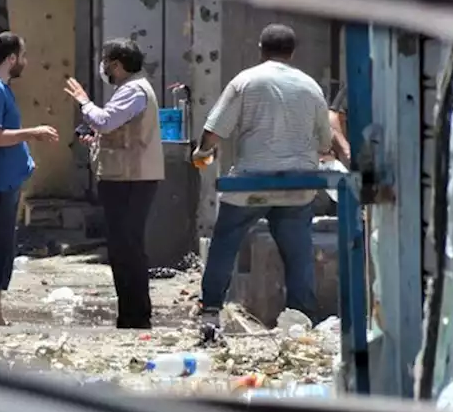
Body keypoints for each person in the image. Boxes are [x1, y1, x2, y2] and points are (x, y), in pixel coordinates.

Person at [193, 24, 332, 326]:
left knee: (225, 244)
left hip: (251, 184)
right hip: (298, 186)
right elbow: (325, 142)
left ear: (260, 48)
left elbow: (215, 129)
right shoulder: (310, 86)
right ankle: (301, 319)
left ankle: (210, 311)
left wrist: (202, 153)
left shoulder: (246, 80)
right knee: (299, 254)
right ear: (293, 52)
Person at [63, 39, 163, 330]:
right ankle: (130, 314)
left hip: (130, 180)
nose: (103, 67)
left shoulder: (133, 90)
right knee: (122, 248)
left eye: (106, 61)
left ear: (117, 64)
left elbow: (105, 121)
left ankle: (136, 316)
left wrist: (84, 101)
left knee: (128, 248)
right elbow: (115, 131)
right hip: (125, 177)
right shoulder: (129, 90)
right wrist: (95, 139)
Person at [0, 32, 58, 325]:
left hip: (5, 182)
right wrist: (33, 133)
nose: (26, 62)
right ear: (11, 58)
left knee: (3, 246)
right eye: (23, 56)